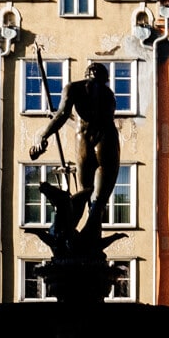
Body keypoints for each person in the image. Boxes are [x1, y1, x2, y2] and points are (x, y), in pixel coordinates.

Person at [30, 62, 121, 231]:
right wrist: (58, 117)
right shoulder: (109, 95)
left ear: (87, 73)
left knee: (83, 193)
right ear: (104, 78)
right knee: (98, 202)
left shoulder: (73, 87)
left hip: (83, 143)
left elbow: (65, 116)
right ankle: (91, 245)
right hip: (107, 142)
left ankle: (63, 232)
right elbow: (95, 122)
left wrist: (43, 135)